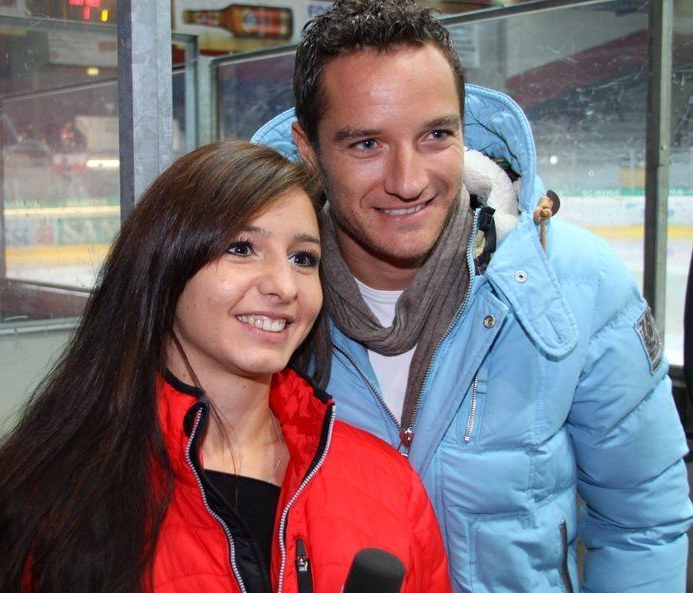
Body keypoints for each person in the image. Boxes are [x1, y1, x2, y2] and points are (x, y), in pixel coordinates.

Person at [252, 1, 693, 591]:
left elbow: (642, 522)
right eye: (366, 144)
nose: (408, 181)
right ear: (309, 149)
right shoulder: (261, 311)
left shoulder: (577, 283)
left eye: (436, 135)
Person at [0, 141, 452, 593]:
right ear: (165, 265)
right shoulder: (57, 496)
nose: (284, 286)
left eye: (303, 258)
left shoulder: (389, 484)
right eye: (241, 248)